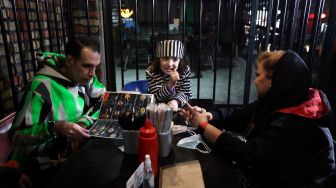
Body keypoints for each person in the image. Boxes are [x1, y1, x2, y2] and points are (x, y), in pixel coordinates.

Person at [182, 50, 336, 187]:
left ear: (274, 81)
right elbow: (238, 115)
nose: (255, 81)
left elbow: (247, 154)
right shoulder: (281, 100)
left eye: (258, 75)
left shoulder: (297, 124)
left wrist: (203, 125)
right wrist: (208, 115)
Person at [8, 36, 106, 186]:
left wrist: (84, 122)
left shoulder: (85, 78)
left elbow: (104, 101)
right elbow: (16, 135)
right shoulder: (41, 86)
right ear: (69, 61)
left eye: (95, 67)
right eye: (87, 66)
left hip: (74, 156)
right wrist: (56, 127)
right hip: (44, 168)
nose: (92, 73)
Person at [146, 39, 192, 111]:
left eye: (175, 59)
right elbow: (156, 98)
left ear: (180, 61)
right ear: (158, 59)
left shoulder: (185, 70)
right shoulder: (151, 71)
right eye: (165, 58)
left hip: (179, 108)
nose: (170, 64)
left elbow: (186, 93)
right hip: (158, 110)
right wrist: (170, 84)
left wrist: (176, 101)